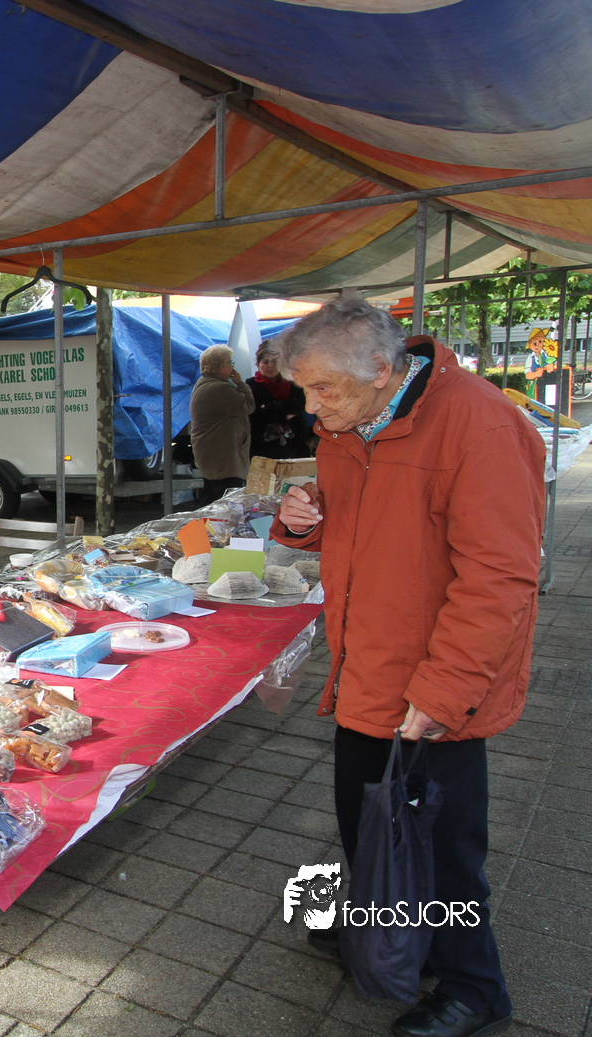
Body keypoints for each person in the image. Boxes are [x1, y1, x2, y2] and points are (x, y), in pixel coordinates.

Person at [271, 297, 543, 1037]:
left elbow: (499, 578)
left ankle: (474, 985)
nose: (311, 406)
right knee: (367, 823)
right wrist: (305, 519)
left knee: (443, 845)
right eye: (305, 388)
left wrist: (445, 690)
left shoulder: (479, 423)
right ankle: (391, 929)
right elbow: (365, 523)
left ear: (381, 370)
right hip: (367, 664)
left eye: (322, 388)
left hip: (435, 678)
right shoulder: (349, 421)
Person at [187, 343, 255, 504]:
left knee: (212, 500)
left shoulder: (205, 384)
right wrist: (241, 384)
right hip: (224, 461)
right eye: (229, 362)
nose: (232, 366)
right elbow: (247, 405)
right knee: (226, 503)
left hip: (214, 457)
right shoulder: (220, 388)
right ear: (219, 366)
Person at [247, 341, 312, 459]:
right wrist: (287, 410)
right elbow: (257, 414)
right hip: (263, 445)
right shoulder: (251, 385)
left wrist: (274, 407)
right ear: (258, 364)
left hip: (294, 442)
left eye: (275, 361)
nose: (270, 366)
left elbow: (303, 405)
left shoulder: (292, 382)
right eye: (266, 362)